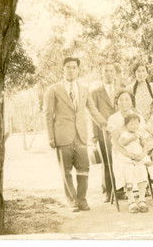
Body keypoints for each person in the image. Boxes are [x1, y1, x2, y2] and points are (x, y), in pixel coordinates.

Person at [44, 57, 106, 212]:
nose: (70, 70)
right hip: (62, 136)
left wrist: (104, 124)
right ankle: (72, 202)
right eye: (67, 67)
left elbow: (93, 110)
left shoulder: (84, 89)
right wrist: (51, 137)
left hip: (80, 136)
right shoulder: (53, 90)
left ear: (79, 69)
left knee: (84, 169)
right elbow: (47, 114)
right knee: (66, 172)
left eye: (74, 67)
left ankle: (82, 200)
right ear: (63, 69)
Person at [107, 90, 152, 206]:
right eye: (121, 100)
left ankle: (142, 199)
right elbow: (116, 143)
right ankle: (131, 199)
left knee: (141, 164)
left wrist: (143, 153)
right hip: (121, 152)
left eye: (127, 99)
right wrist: (127, 154)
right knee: (127, 165)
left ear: (132, 101)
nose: (124, 102)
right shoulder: (113, 119)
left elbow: (144, 139)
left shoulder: (138, 117)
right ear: (117, 102)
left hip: (138, 150)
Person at [91, 61, 123, 202]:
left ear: (115, 73)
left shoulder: (121, 90)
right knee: (107, 162)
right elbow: (93, 115)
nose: (109, 73)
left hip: (120, 131)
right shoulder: (95, 93)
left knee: (120, 159)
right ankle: (108, 191)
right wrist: (94, 136)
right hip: (103, 132)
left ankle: (120, 189)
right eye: (106, 71)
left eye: (111, 71)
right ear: (102, 74)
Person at [117, 113, 153, 213]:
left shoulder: (139, 133)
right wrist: (131, 139)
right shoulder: (125, 134)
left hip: (139, 156)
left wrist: (141, 140)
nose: (134, 126)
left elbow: (144, 145)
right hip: (129, 158)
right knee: (129, 169)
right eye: (131, 124)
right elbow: (122, 143)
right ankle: (131, 200)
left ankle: (143, 197)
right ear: (126, 125)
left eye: (136, 124)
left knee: (148, 164)